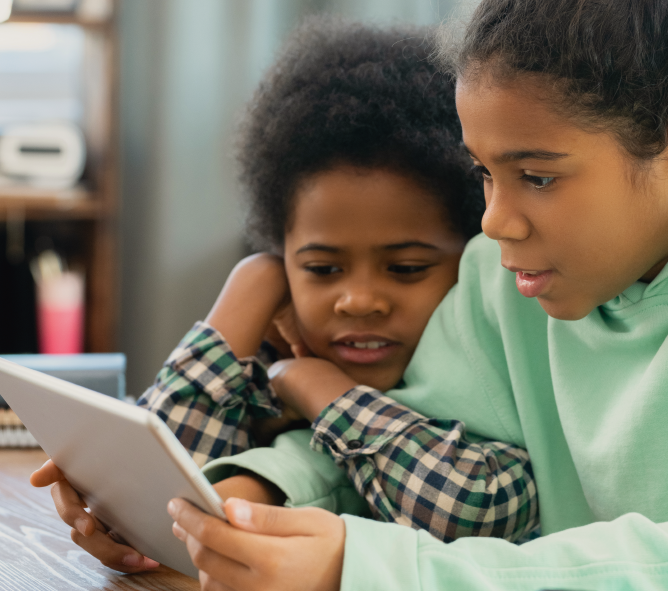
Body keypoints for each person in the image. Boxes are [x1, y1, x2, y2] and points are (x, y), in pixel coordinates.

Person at [162, 0, 668, 589]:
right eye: (485, 173)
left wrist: (374, 569)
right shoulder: (501, 278)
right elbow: (399, 444)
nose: (493, 222)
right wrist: (255, 494)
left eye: (537, 177)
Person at [30, 17, 541, 576]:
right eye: (322, 268)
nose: (359, 300)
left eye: (406, 267)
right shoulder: (281, 346)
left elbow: (483, 513)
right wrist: (252, 285)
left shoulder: (485, 366)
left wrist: (327, 395)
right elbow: (155, 478)